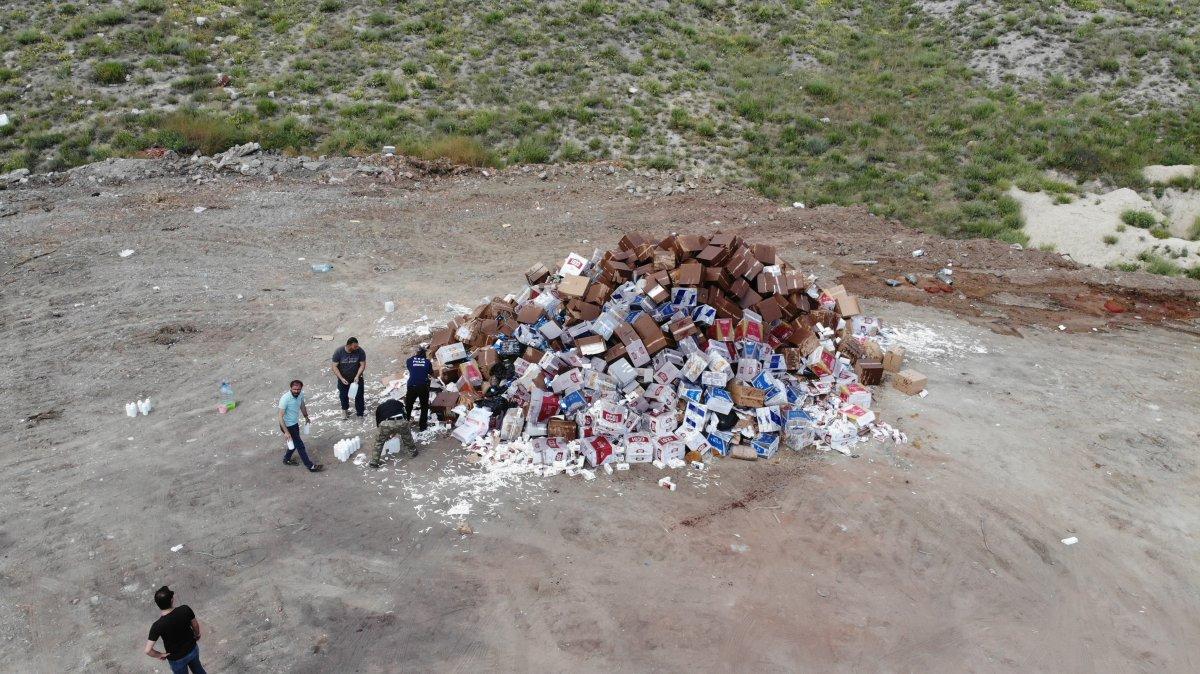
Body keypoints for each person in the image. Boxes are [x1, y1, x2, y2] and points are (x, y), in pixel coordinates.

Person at [144, 585, 207, 674]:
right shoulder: (185, 609)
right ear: (172, 600)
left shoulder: (157, 626)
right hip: (192, 649)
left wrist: (160, 655)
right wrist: (197, 635)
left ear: (158, 604)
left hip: (176, 659)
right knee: (198, 669)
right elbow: (195, 625)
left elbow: (148, 650)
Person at [277, 380, 323, 472]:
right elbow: (280, 417)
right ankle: (310, 466)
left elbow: (302, 405)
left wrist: (306, 417)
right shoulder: (285, 399)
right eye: (294, 389)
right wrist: (286, 432)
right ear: (291, 388)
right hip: (287, 426)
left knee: (294, 444)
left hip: (294, 424)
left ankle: (286, 459)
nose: (296, 391)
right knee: (300, 445)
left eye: (298, 389)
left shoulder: (300, 394)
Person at [367, 390, 418, 469]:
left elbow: (378, 421)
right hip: (400, 421)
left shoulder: (381, 407)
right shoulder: (399, 404)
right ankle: (413, 452)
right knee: (407, 437)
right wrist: (405, 426)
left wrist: (382, 433)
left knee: (379, 442)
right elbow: (405, 416)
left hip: (386, 423)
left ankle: (374, 462)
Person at [332, 337, 367, 419]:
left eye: (357, 346)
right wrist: (341, 378)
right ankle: (345, 410)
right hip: (344, 378)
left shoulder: (360, 351)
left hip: (356, 377)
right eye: (355, 347)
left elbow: (362, 365)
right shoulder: (339, 352)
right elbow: (334, 367)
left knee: (359, 395)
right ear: (348, 345)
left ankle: (360, 413)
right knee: (343, 395)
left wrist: (357, 376)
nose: (357, 348)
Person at [405, 344, 433, 431]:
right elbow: (431, 373)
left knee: (408, 406)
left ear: (416, 353)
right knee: (424, 406)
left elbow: (411, 369)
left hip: (411, 385)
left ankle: (405, 424)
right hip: (423, 386)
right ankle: (422, 426)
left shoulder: (409, 360)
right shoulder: (427, 362)